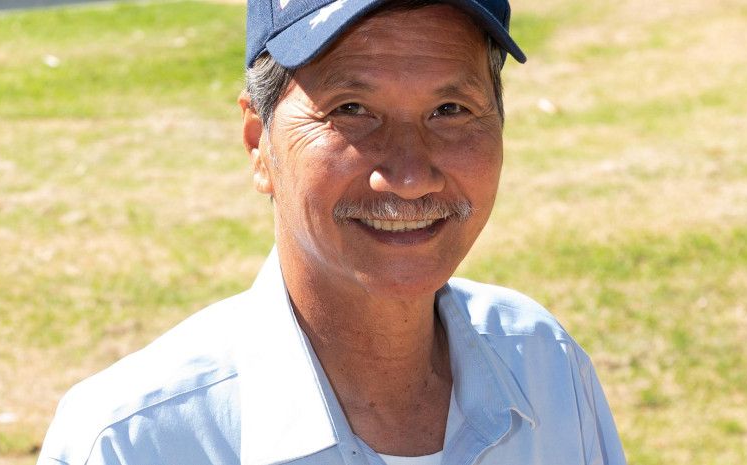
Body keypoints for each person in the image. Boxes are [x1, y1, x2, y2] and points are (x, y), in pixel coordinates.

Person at [37, 0, 626, 463]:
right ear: (257, 144)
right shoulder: (132, 444)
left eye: (450, 110)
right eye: (350, 109)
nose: (410, 175)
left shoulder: (545, 367)